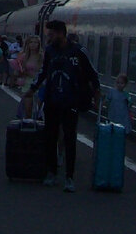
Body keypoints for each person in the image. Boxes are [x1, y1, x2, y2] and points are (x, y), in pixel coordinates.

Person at [30, 20, 100, 192]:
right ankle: (51, 172)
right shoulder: (50, 51)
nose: (48, 37)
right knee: (50, 137)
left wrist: (97, 98)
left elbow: (92, 75)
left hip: (71, 101)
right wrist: (33, 89)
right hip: (52, 100)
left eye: (51, 34)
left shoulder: (78, 51)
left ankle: (69, 177)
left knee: (69, 139)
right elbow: (44, 73)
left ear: (61, 33)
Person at [15, 34, 45, 117]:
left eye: (36, 42)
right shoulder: (24, 56)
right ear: (27, 44)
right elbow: (19, 71)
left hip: (39, 84)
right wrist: (20, 71)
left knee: (37, 109)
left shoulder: (42, 56)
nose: (33, 44)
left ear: (39, 44)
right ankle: (28, 124)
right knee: (27, 108)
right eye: (31, 42)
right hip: (27, 83)